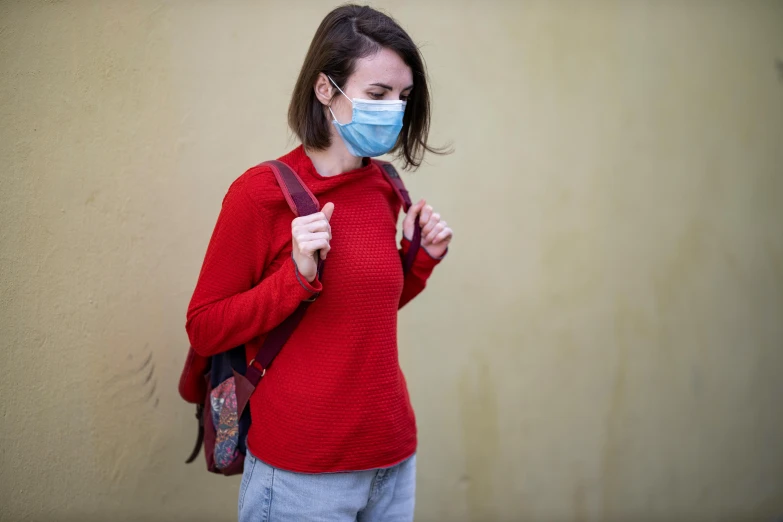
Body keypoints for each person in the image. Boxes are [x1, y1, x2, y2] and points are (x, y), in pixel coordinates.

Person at [185, 4, 452, 521]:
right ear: (325, 89)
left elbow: (365, 313)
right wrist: (294, 279)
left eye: (403, 96)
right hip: (301, 473)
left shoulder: (384, 187)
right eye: (377, 94)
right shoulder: (258, 194)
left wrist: (420, 261)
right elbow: (203, 328)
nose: (394, 110)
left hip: (392, 460)